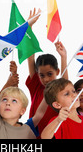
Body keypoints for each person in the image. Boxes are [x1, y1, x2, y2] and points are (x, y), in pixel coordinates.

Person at [0, 42, 48, 139]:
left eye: (14, 101)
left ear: (22, 111)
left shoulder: (27, 131)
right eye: (4, 99)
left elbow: (40, 114)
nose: (8, 103)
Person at [25, 8, 68, 136]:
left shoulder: (61, 90)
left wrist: (63, 57)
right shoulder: (37, 87)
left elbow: (66, 83)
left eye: (50, 74)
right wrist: (29, 27)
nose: (45, 79)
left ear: (57, 71)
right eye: (41, 75)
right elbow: (30, 56)